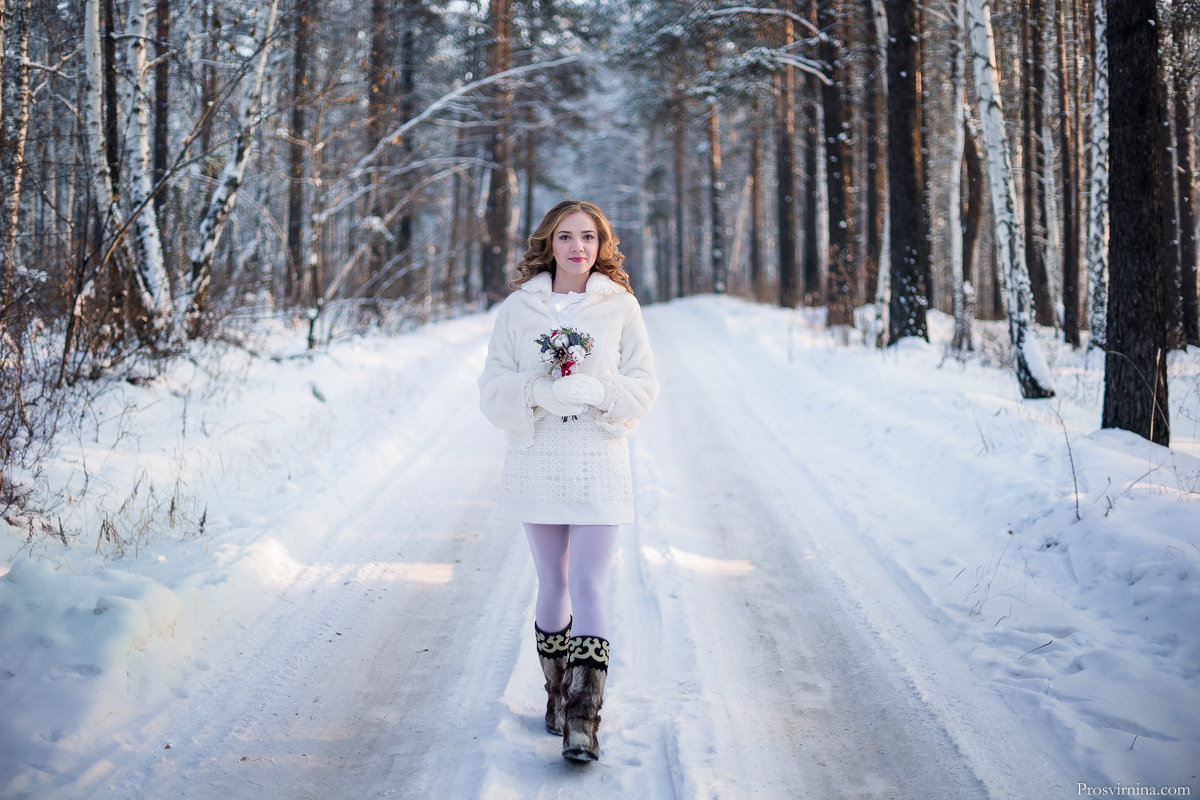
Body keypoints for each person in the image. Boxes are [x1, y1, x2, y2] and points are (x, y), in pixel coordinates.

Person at [478, 200, 659, 762]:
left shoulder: (620, 306)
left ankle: (584, 718)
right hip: (539, 457)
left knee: (590, 584)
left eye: (588, 237)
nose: (577, 248)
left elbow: (644, 384)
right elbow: (492, 386)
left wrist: (600, 391)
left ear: (602, 244)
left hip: (599, 456)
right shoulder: (519, 308)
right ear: (547, 244)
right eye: (565, 237)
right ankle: (556, 696)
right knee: (552, 584)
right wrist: (536, 392)